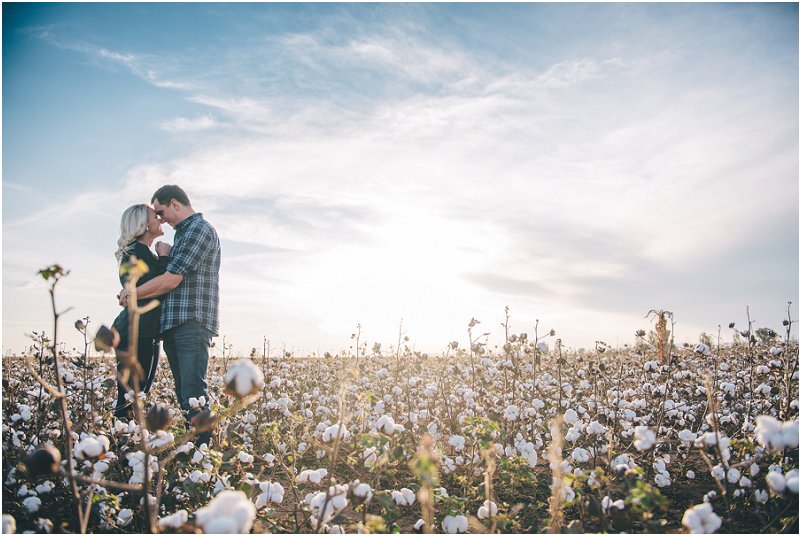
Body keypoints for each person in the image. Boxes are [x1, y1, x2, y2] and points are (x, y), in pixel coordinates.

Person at [119, 185, 220, 446]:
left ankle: (204, 453)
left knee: (193, 393)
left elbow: (170, 281)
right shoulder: (183, 235)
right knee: (185, 394)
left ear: (175, 203)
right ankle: (197, 449)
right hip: (175, 324)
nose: (161, 218)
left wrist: (130, 293)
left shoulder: (198, 230)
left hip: (191, 321)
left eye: (162, 212)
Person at [112, 204, 168, 419]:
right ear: (144, 224)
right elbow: (157, 289)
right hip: (134, 333)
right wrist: (164, 257)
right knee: (130, 396)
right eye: (156, 216)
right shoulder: (135, 252)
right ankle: (121, 442)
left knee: (137, 395)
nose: (160, 219)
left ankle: (127, 441)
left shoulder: (143, 252)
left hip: (144, 331)